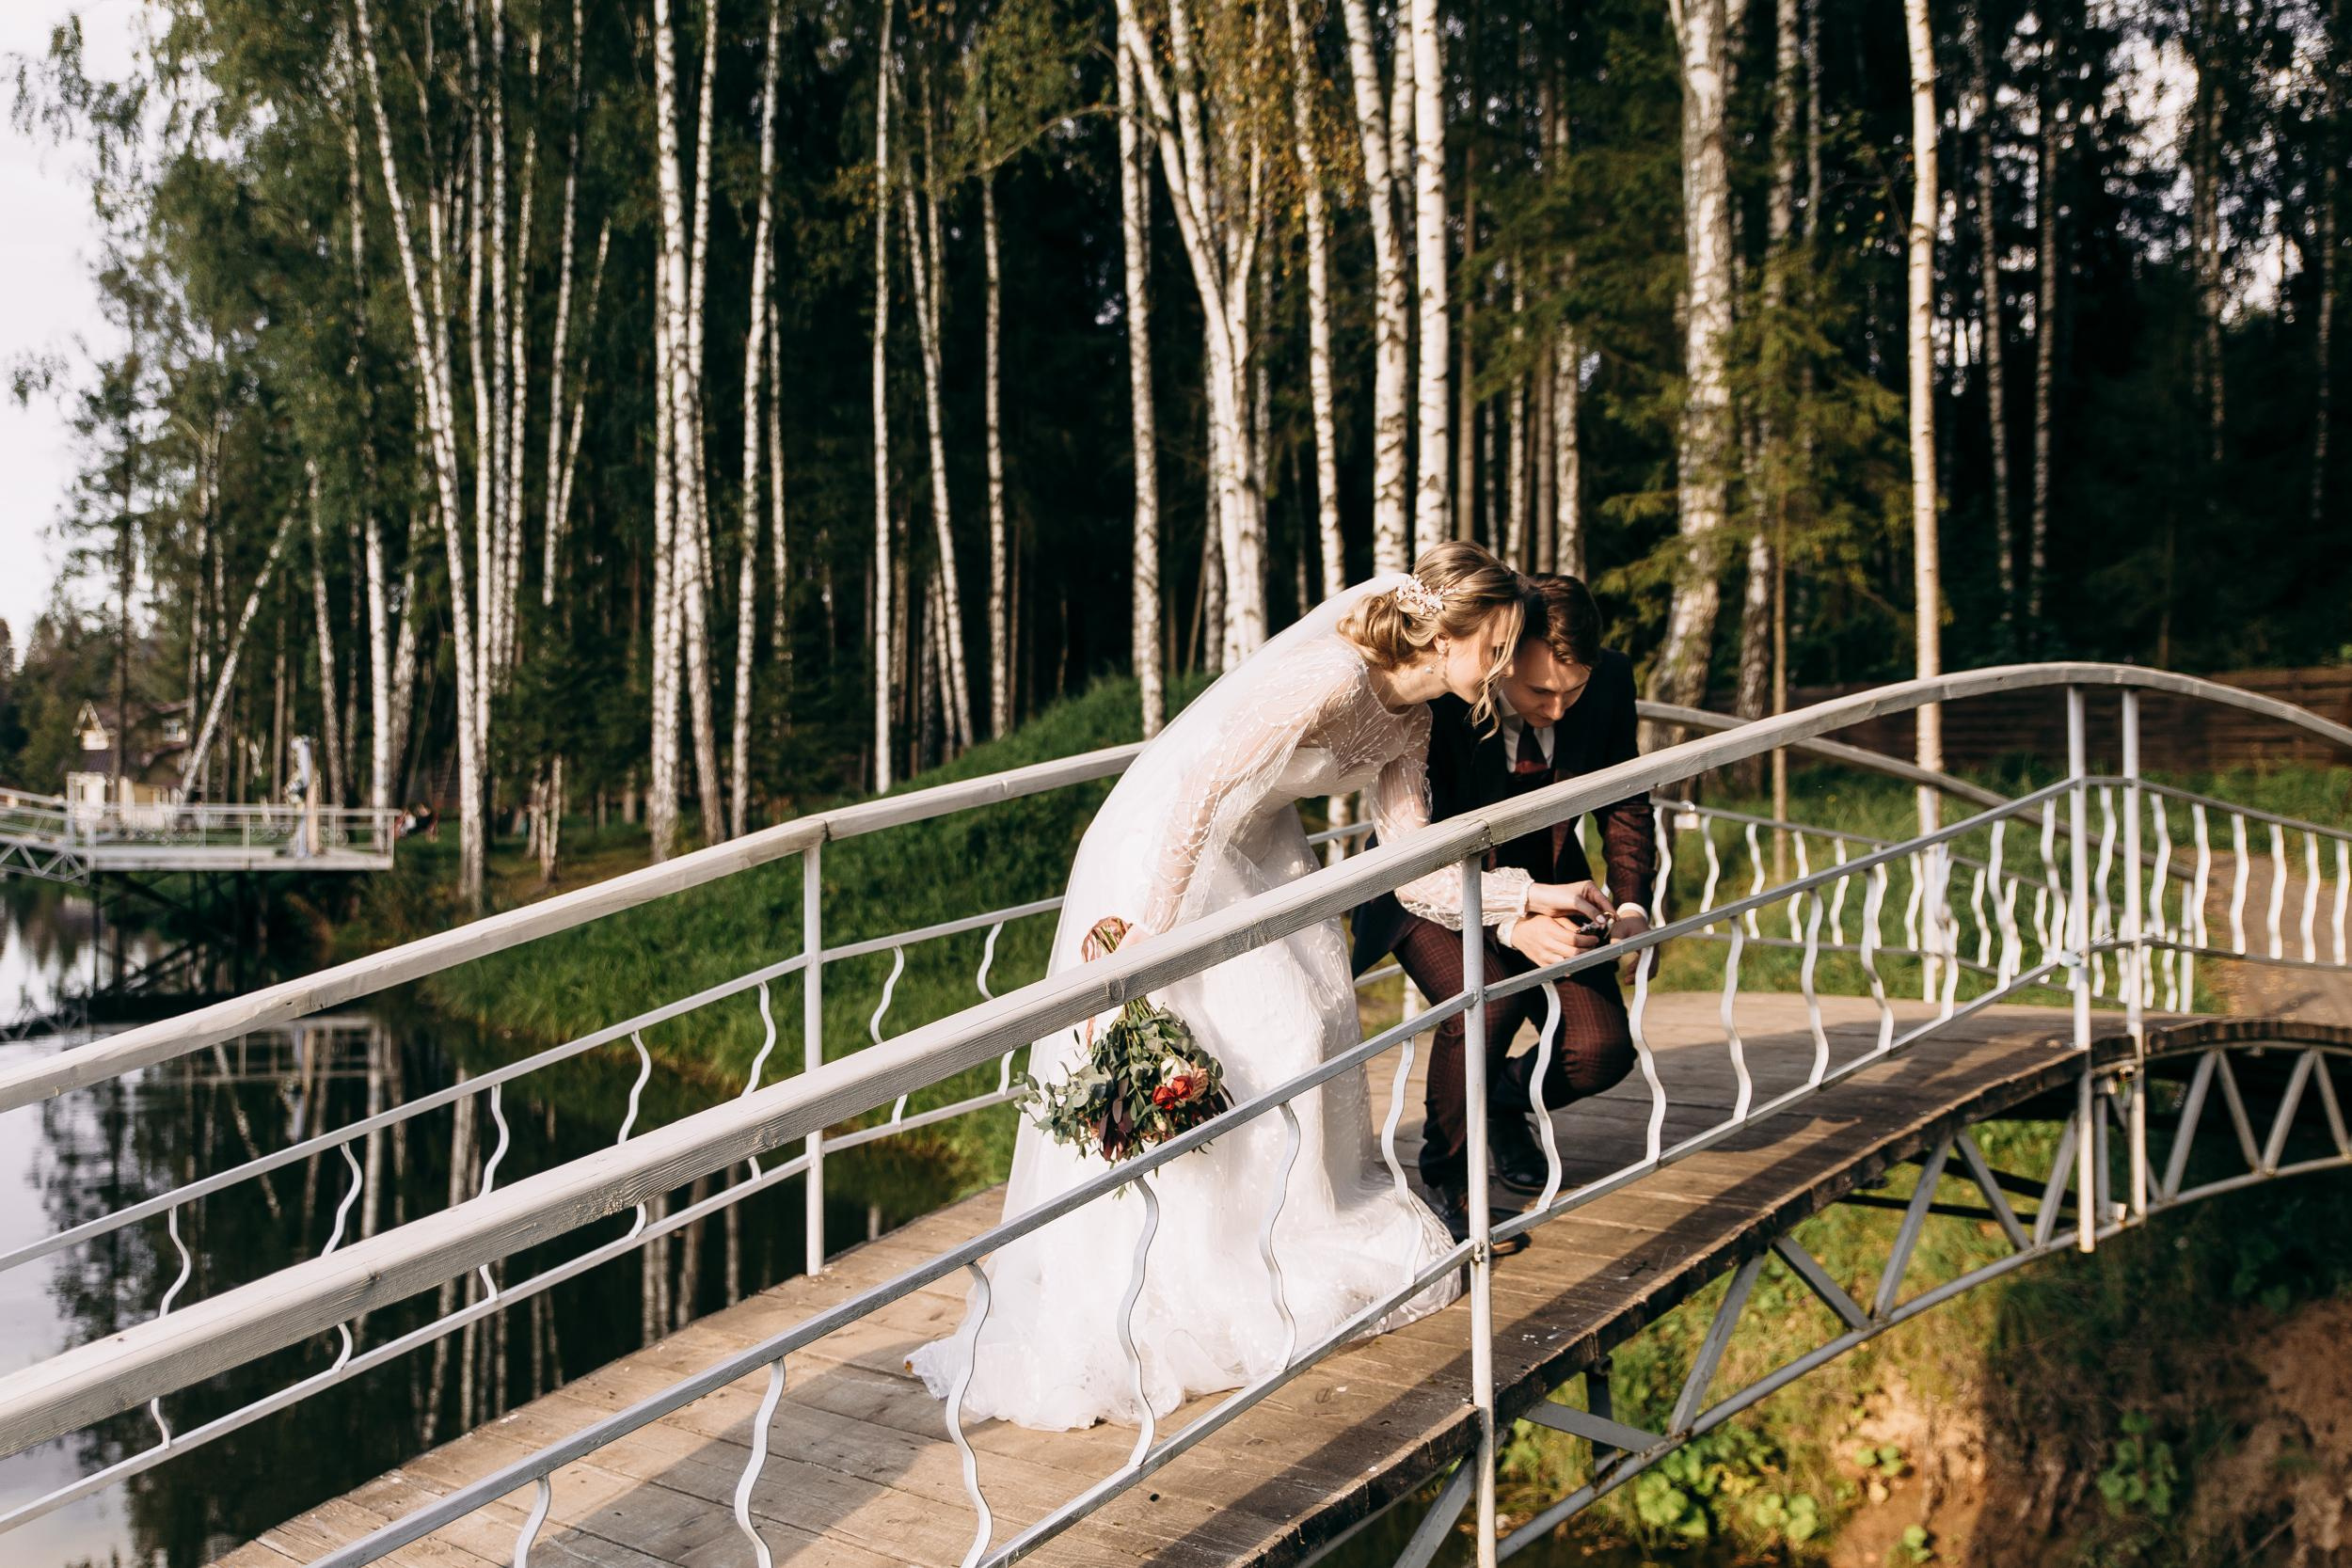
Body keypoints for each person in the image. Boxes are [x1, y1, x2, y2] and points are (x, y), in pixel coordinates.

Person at [908, 544, 1609, 1431]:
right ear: (1449, 632)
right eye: (1499, 645)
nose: (1508, 667)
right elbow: (1197, 788)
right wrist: (1147, 941)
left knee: (1307, 1017)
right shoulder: (1327, 677)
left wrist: (1522, 895)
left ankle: (1263, 1240)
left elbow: (1412, 870)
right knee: (1230, 1030)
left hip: (1258, 845)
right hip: (1165, 851)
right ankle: (1162, 1274)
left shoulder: (1416, 722)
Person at [1350, 574, 1656, 1241]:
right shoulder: (1451, 697)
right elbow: (1422, 840)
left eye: (1572, 689)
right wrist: (1511, 920)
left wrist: (1632, 905)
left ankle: (1501, 1101)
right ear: (1504, 657)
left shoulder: (1608, 682)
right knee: (1488, 998)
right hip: (1430, 886)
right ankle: (1449, 1180)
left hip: (1553, 879)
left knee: (1602, 1049)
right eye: (1540, 690)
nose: (1558, 706)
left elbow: (1625, 795)